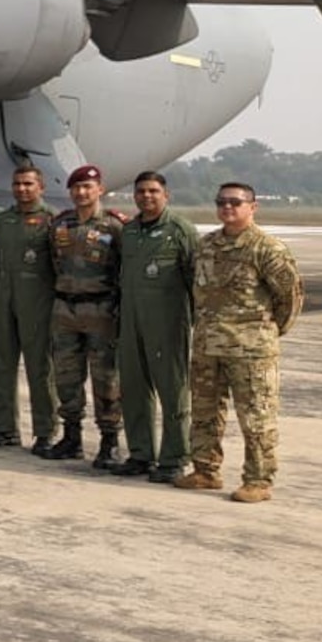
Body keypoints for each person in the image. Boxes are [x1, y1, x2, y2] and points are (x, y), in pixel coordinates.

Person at [175, 183, 303, 503]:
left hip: (251, 349)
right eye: (222, 202)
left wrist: (266, 332)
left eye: (235, 202)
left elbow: (289, 298)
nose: (227, 208)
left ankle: (258, 479)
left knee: (256, 416)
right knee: (204, 411)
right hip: (208, 345)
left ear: (252, 207)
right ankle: (205, 470)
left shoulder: (266, 249)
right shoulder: (207, 246)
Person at [114, 170, 198, 480]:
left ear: (166, 195)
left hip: (168, 324)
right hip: (131, 321)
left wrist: (197, 323)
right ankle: (140, 453)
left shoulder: (180, 230)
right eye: (141, 192)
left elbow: (195, 281)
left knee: (172, 390)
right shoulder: (130, 231)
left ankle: (174, 457)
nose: (146, 196)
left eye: (153, 191)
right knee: (134, 389)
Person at [45, 164, 125, 465]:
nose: (81, 193)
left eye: (87, 187)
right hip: (66, 309)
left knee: (106, 377)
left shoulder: (114, 226)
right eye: (76, 188)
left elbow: (122, 269)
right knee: (66, 375)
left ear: (99, 190)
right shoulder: (59, 225)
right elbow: (53, 265)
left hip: (100, 310)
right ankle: (71, 436)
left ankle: (109, 440)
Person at [0, 165, 57, 455]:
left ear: (40, 187)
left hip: (37, 300)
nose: (22, 189)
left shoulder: (52, 220)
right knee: (1, 365)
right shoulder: (3, 221)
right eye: (17, 184)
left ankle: (45, 431)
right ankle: (5, 428)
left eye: (28, 184)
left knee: (39, 368)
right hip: (5, 297)